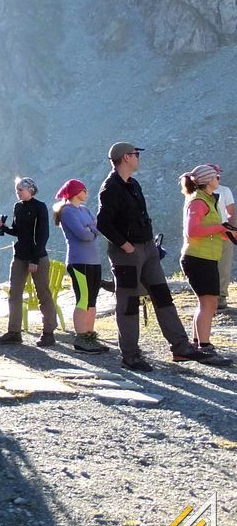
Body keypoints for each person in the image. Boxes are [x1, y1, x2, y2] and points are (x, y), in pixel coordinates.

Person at [96, 142, 219, 370]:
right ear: (125, 158)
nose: (138, 158)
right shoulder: (110, 187)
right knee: (129, 303)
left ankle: (180, 347)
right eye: (135, 154)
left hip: (147, 248)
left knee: (163, 296)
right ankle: (130, 356)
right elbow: (102, 222)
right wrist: (125, 245)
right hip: (127, 254)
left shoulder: (133, 184)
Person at [0, 177, 59, 347]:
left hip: (37, 257)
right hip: (19, 256)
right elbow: (17, 231)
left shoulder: (40, 207)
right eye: (17, 190)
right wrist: (4, 228)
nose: (18, 193)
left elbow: (42, 234)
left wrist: (34, 259)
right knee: (14, 293)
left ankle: (48, 332)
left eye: (21, 190)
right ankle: (14, 331)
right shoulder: (17, 207)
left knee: (43, 293)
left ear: (30, 190)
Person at [178, 164, 232, 355]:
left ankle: (197, 341)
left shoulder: (206, 199)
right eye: (216, 176)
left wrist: (225, 232)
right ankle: (205, 346)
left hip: (205, 256)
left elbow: (210, 228)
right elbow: (192, 231)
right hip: (198, 258)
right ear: (209, 180)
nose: (219, 179)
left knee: (206, 302)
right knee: (209, 302)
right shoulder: (199, 201)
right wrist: (221, 228)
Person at [53, 179, 109, 353]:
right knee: (83, 298)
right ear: (75, 192)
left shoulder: (85, 210)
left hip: (94, 261)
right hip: (78, 262)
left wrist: (90, 229)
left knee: (92, 300)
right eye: (83, 190)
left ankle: (90, 336)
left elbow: (98, 229)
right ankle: (81, 339)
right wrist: (91, 229)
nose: (86, 192)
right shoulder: (67, 211)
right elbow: (82, 235)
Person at [210, 165, 235, 310]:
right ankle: (208, 295)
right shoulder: (198, 193)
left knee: (224, 265)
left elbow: (231, 212)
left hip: (224, 232)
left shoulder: (225, 191)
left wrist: (232, 230)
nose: (218, 179)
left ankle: (221, 296)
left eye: (219, 176)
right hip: (206, 233)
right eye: (215, 176)